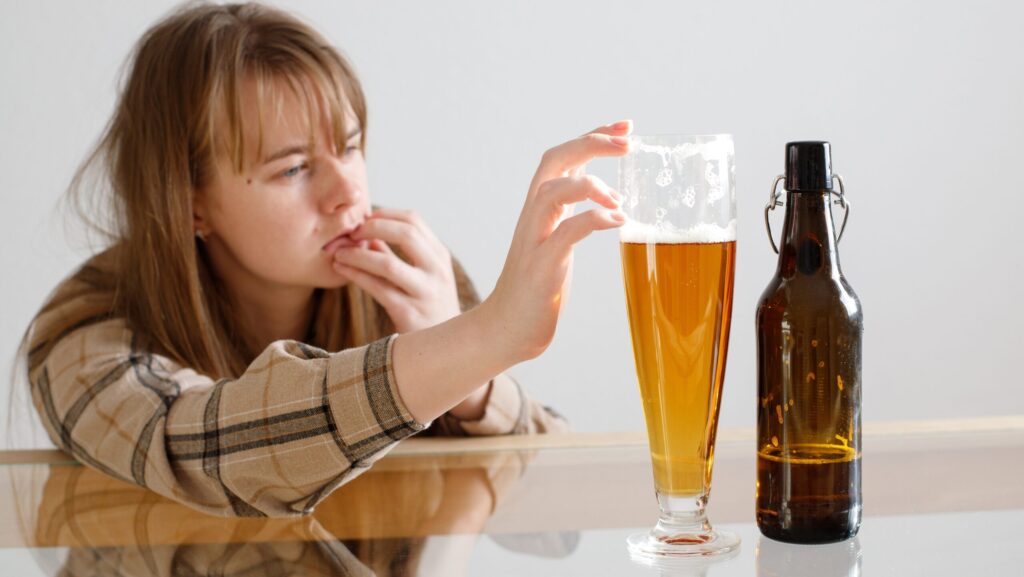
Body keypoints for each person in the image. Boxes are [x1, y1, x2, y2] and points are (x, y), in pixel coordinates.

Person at [20, 1, 629, 517]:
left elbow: (562, 515)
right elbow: (208, 449)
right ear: (190, 204)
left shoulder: (405, 276)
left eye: (350, 146)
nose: (348, 193)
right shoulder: (84, 330)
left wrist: (470, 386)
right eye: (292, 168)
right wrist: (482, 340)